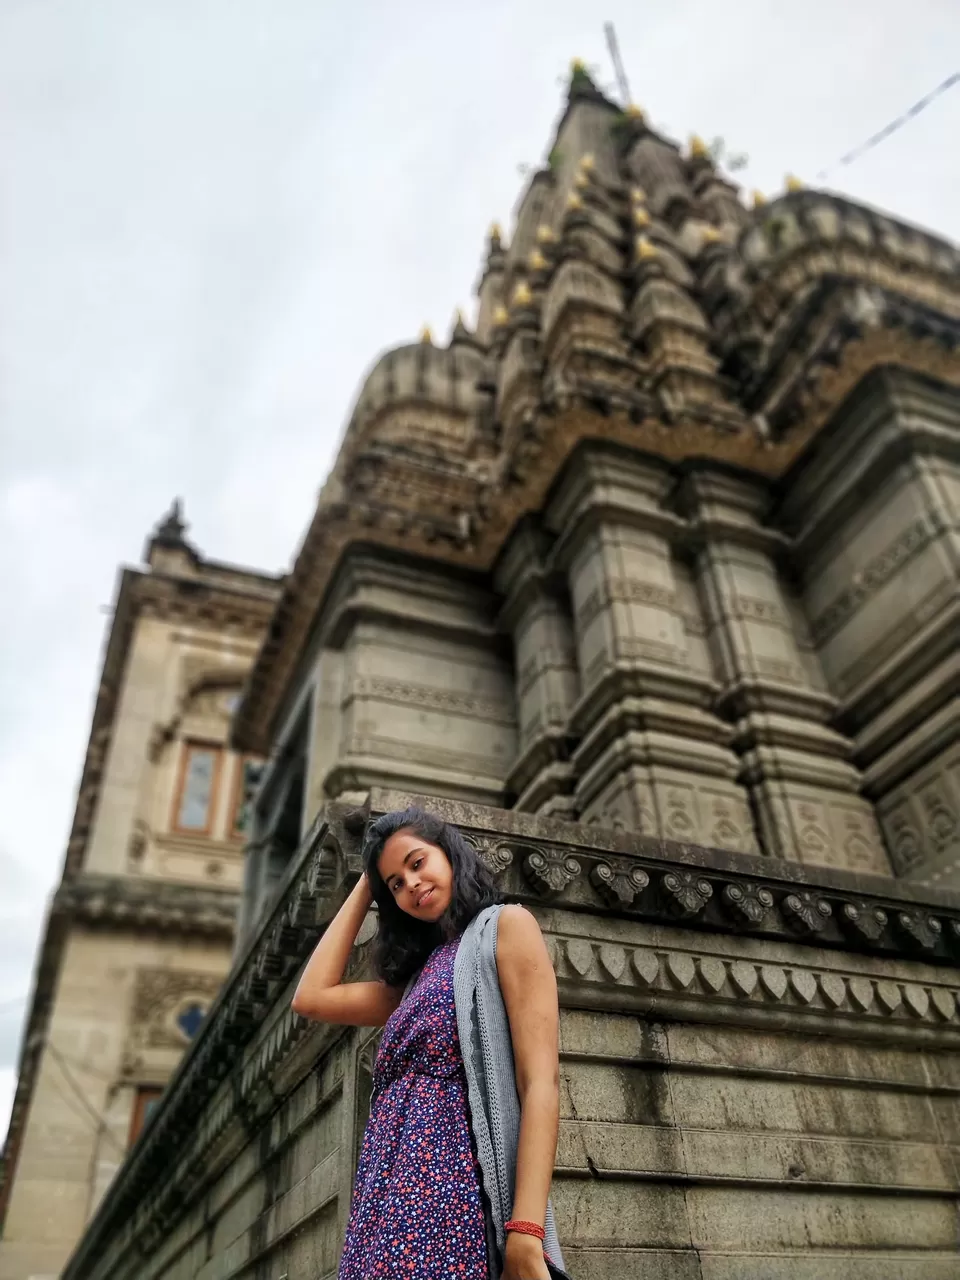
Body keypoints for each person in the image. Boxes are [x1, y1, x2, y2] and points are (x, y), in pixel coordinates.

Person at [292, 806, 566, 1280]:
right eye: (395, 884)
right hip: (384, 1197)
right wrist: (367, 881)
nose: (411, 885)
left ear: (451, 854)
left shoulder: (506, 928)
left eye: (417, 863)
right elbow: (312, 997)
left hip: (452, 1195)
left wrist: (526, 1227)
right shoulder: (414, 981)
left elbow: (539, 1081)